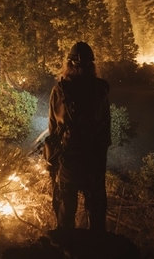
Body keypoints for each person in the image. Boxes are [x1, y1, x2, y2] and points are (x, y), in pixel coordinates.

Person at [47, 41, 111, 231]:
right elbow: (105, 127)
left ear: (69, 64)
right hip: (94, 159)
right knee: (97, 211)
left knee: (65, 212)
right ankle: (96, 247)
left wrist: (53, 161)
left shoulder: (59, 90)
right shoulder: (101, 90)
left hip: (68, 159)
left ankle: (65, 247)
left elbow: (53, 129)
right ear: (92, 65)